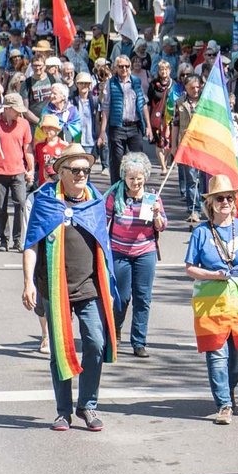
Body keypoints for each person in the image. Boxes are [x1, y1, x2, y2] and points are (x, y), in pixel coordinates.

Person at [22, 144, 119, 432]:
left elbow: (105, 245)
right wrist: (27, 281)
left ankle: (88, 405)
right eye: (75, 170)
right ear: (60, 172)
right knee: (60, 350)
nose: (81, 175)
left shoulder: (95, 202)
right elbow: (31, 245)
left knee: (95, 343)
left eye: (85, 171)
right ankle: (63, 411)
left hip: (89, 287)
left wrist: (110, 287)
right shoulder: (45, 202)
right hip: (55, 287)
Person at [183, 175, 238, 426]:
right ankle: (224, 404)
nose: (226, 202)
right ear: (211, 203)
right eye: (220, 198)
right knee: (216, 352)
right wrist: (213, 275)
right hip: (211, 299)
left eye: (230, 198)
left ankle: (228, 389)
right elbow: (189, 268)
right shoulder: (201, 232)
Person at [105, 152, 166, 358]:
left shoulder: (152, 197)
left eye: (139, 178)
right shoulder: (115, 196)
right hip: (119, 252)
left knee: (143, 297)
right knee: (121, 297)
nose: (136, 182)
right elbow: (103, 223)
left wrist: (157, 213)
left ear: (145, 177)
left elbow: (162, 226)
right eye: (131, 178)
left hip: (145, 252)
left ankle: (139, 342)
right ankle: (115, 333)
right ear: (124, 177)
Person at [99, 55, 150, 186]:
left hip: (135, 127)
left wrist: (148, 125)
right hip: (117, 127)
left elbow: (143, 103)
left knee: (138, 161)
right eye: (121, 66)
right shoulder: (111, 83)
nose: (124, 69)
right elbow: (105, 107)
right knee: (117, 162)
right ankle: (116, 192)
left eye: (127, 66)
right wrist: (102, 132)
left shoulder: (136, 82)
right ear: (116, 68)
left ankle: (137, 190)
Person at [171, 73, 206, 222]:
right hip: (187, 146)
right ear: (185, 87)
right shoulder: (179, 102)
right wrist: (173, 146)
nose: (196, 90)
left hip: (204, 145)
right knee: (191, 179)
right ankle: (194, 209)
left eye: (198, 87)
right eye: (192, 87)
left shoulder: (206, 102)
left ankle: (206, 207)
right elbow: (175, 124)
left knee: (204, 179)